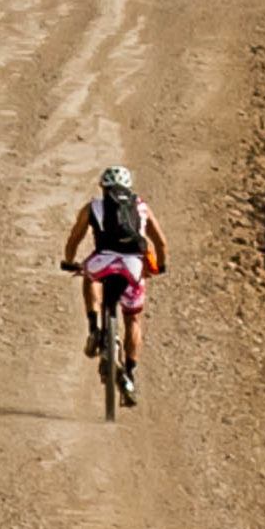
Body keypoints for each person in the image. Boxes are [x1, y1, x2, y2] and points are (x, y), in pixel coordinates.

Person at [62, 161, 167, 404]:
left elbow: (74, 238)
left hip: (103, 261)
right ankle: (129, 374)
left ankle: (94, 327)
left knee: (89, 277)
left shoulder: (93, 207)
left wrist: (69, 261)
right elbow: (161, 242)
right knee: (133, 319)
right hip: (134, 266)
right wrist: (160, 267)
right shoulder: (142, 207)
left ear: (103, 187)